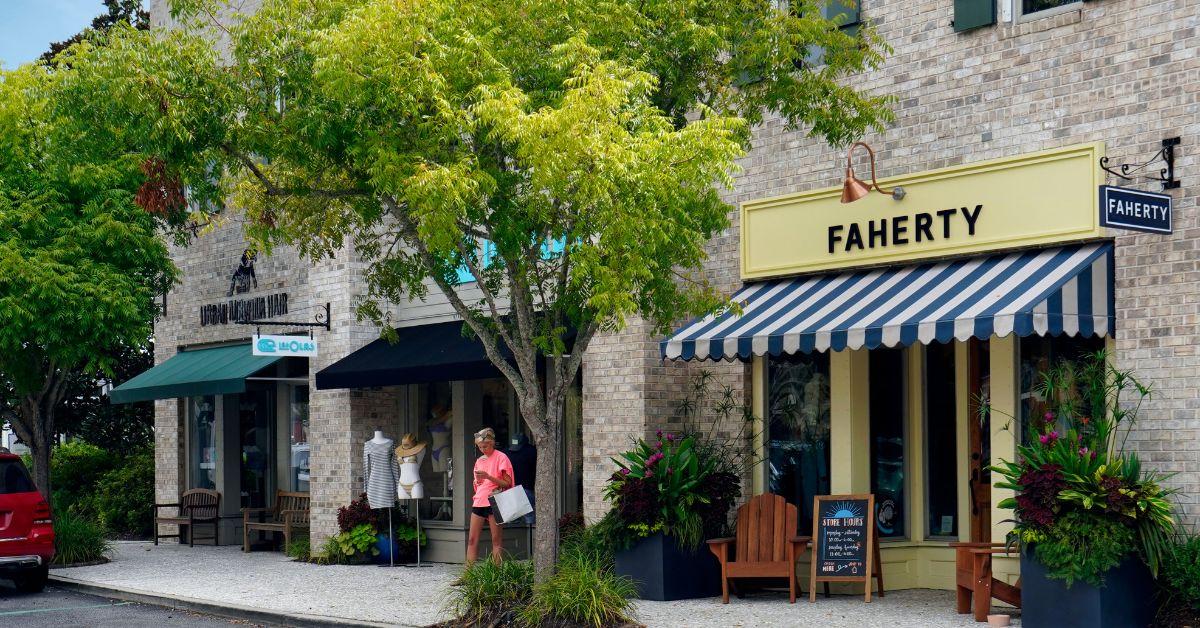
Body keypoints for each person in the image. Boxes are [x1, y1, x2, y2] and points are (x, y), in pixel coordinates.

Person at [467, 427, 512, 564]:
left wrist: (489, 477)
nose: (482, 449)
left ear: (492, 443)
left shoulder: (501, 457)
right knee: (472, 539)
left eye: (485, 446)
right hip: (479, 500)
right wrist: (478, 481)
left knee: (496, 540)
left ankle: (496, 575)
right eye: (480, 447)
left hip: (495, 501)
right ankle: (467, 575)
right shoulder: (480, 460)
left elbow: (507, 483)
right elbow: (477, 484)